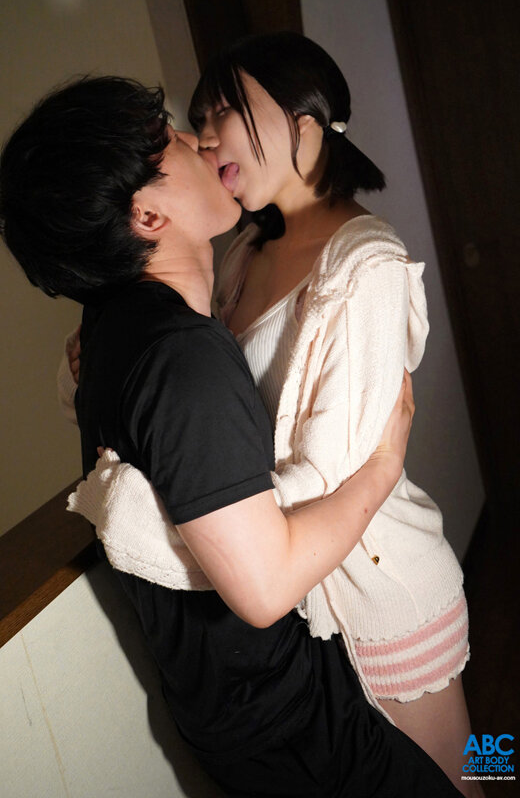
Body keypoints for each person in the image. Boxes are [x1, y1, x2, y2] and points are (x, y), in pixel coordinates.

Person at [0, 75, 461, 796]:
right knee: (460, 776)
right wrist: (383, 462)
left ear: (307, 126)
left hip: (372, 599)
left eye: (223, 114)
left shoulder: (138, 318)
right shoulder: (190, 330)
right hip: (300, 681)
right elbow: (265, 578)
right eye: (179, 135)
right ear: (146, 214)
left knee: (471, 766)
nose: (201, 138)